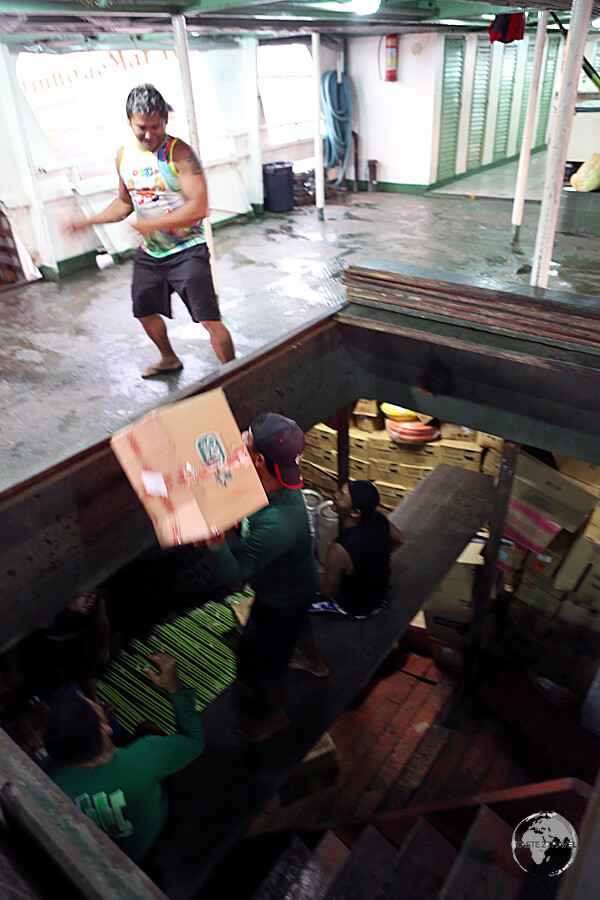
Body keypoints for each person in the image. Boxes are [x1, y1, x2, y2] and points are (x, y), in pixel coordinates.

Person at [68, 83, 234, 378]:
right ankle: (169, 358)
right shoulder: (123, 157)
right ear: (130, 122)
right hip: (151, 253)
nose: (149, 134)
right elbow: (123, 204)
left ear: (165, 121)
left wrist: (151, 224)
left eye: (156, 126)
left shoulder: (180, 154)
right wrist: (88, 221)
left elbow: (199, 208)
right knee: (143, 311)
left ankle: (236, 374)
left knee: (209, 320)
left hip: (187, 250)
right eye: (141, 127)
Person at [204, 412, 329, 743]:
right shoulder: (282, 481)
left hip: (279, 599)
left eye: (243, 439)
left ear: (257, 459)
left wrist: (216, 544)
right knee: (299, 623)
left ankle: (276, 717)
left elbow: (234, 574)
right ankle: (315, 663)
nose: (239, 439)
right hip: (301, 580)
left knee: (255, 662)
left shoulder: (275, 525)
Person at [43, 653, 205, 862]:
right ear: (105, 729)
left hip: (108, 856)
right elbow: (195, 741)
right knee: (148, 728)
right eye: (89, 704)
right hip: (148, 844)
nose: (90, 701)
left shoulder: (48, 772)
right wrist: (174, 687)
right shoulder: (146, 756)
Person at [310, 480, 404, 619]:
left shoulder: (341, 548)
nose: (335, 495)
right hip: (379, 595)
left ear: (355, 512)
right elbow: (399, 540)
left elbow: (328, 592)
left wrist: (316, 569)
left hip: (358, 607)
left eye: (341, 495)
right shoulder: (379, 519)